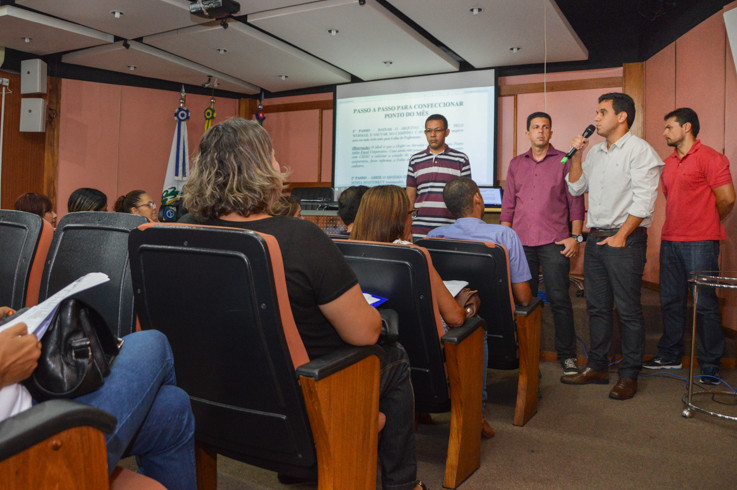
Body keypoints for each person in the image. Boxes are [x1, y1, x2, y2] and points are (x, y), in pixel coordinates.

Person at [180, 118, 423, 490]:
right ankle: (402, 486)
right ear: (261, 168)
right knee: (394, 355)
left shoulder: (184, 230)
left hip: (214, 398)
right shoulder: (301, 237)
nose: (279, 164)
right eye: (273, 156)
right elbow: (364, 332)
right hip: (301, 400)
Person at [350, 185, 496, 439]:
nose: (412, 219)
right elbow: (455, 317)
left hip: (379, 348)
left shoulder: (348, 250)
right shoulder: (413, 256)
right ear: (398, 218)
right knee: (476, 327)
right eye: (411, 213)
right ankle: (476, 413)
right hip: (426, 357)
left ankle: (417, 410)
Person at [0, 306, 196, 489]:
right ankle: (73, 475)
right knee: (153, 342)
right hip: (19, 454)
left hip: (24, 410)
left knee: (172, 409)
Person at [563, 92, 664, 400]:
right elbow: (576, 187)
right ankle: (597, 366)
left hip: (626, 240)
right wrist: (578, 155)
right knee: (597, 307)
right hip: (595, 238)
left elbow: (645, 201)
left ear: (622, 117)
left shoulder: (640, 151)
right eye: (596, 111)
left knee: (630, 310)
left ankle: (630, 374)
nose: (596, 117)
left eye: (602, 112)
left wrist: (622, 235)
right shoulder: (594, 153)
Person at [643, 108, 735, 383]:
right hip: (671, 241)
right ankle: (670, 354)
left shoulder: (711, 158)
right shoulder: (668, 163)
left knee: (705, 304)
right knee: (670, 301)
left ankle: (709, 364)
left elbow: (727, 199)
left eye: (669, 127)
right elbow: (672, 198)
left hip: (701, 243)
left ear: (686, 128)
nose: (664, 132)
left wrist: (705, 219)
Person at [500, 112, 585, 376]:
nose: (540, 131)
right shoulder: (515, 164)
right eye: (535, 127)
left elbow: (576, 202)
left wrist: (576, 237)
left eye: (545, 127)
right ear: (527, 133)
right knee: (524, 300)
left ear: (551, 132)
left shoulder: (564, 161)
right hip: (521, 243)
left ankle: (568, 356)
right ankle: (525, 350)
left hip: (555, 242)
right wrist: (505, 241)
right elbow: (508, 206)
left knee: (560, 299)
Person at [406, 114, 471, 238]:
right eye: (429, 131)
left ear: (447, 132)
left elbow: (466, 199)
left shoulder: (461, 159)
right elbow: (410, 198)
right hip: (419, 230)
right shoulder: (415, 160)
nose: (433, 135)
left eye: (437, 130)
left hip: (450, 230)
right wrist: (408, 228)